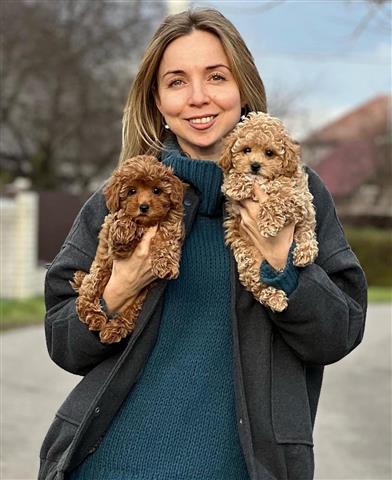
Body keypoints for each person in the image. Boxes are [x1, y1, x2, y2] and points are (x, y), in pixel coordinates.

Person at [39, 8, 367, 480]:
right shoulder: (126, 194)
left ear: (243, 88)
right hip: (110, 464)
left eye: (216, 76)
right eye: (176, 82)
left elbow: (337, 335)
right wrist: (118, 289)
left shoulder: (300, 193)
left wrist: (284, 268)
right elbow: (64, 343)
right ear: (156, 100)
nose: (198, 98)